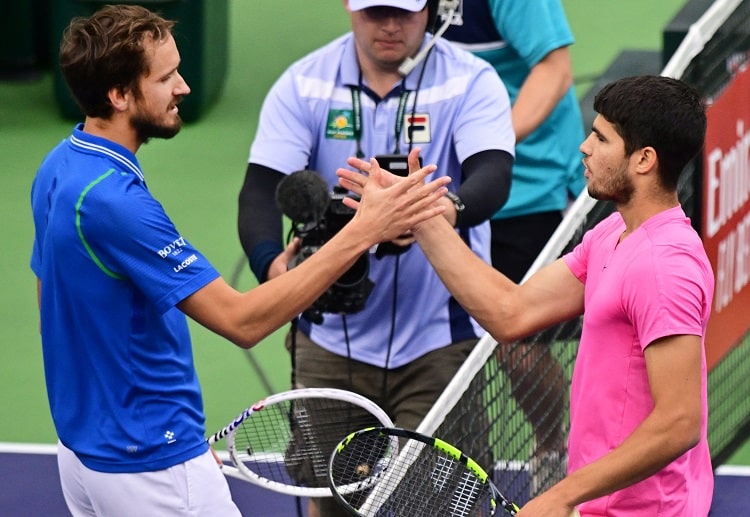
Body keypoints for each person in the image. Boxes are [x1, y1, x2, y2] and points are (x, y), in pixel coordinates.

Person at [29, 5, 449, 516]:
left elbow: (50, 295)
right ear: (119, 96)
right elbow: (242, 320)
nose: (183, 87)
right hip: (147, 461)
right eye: (166, 78)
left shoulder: (61, 165)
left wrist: (150, 430)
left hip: (86, 451)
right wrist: (365, 231)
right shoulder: (116, 203)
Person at [338, 75, 714, 515]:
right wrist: (418, 214)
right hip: (604, 505)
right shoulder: (614, 232)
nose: (584, 147)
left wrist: (562, 494)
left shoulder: (665, 266)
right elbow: (510, 312)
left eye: (600, 137)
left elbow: (680, 422)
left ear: (644, 160)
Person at [237, 0, 514, 514]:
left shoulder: (471, 81)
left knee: (446, 506)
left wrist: (437, 214)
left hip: (440, 340)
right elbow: (259, 192)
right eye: (375, 11)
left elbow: (492, 176)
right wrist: (276, 270)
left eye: (404, 12)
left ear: (431, 9)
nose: (389, 26)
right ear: (349, 6)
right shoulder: (304, 85)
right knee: (331, 499)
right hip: (328, 342)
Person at [444, 0, 586, 492]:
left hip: (527, 186)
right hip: (437, 185)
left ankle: (552, 446)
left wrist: (489, 141)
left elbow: (555, 68)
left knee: (515, 342)